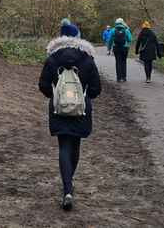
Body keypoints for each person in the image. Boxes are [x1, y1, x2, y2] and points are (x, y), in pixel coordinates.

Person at [38, 19, 101, 212]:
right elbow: (96, 88)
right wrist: (84, 98)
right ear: (77, 37)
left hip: (59, 109)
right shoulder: (87, 58)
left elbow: (43, 85)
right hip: (81, 109)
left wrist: (55, 97)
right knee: (75, 145)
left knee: (64, 145)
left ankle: (67, 189)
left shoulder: (52, 58)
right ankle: (69, 185)